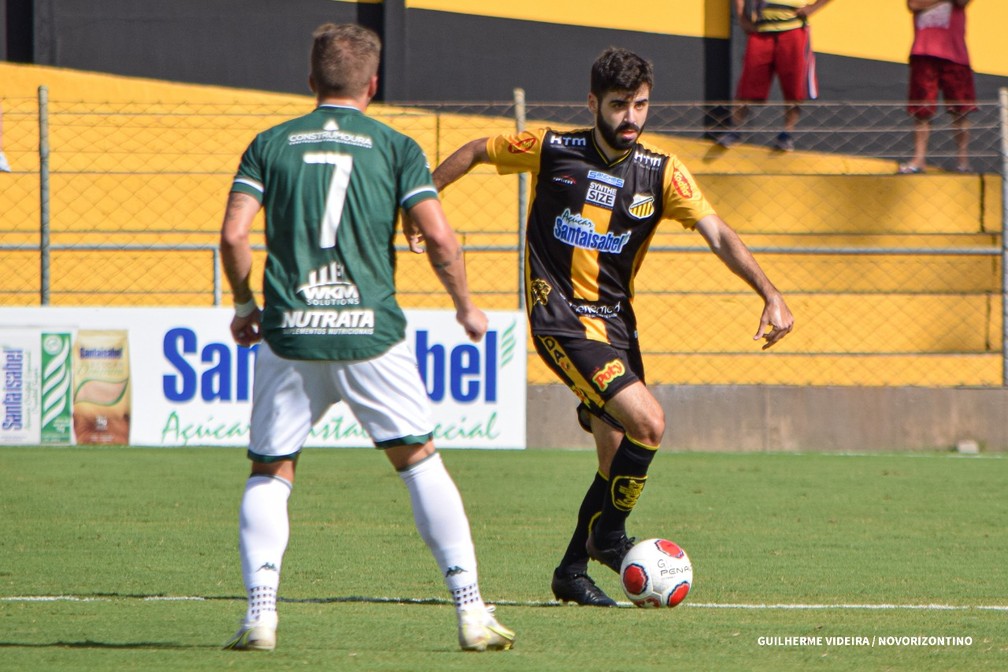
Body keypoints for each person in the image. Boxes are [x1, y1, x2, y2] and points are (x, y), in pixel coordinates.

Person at [430, 47, 793, 606]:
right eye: (620, 104)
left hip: (616, 326)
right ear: (593, 102)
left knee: (615, 453)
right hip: (560, 318)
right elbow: (479, 150)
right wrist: (421, 206)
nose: (631, 117)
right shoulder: (553, 149)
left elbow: (717, 232)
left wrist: (769, 293)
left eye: (641, 105)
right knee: (649, 423)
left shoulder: (663, 173)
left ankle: (572, 571)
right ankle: (608, 537)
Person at [218, 23, 514, 652]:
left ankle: (260, 616)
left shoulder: (269, 145)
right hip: (371, 333)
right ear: (373, 85)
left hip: (291, 331)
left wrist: (246, 304)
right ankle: (470, 611)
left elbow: (234, 235)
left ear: (310, 81)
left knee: (271, 471)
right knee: (418, 461)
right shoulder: (397, 147)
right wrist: (466, 306)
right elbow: (438, 237)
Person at [718, 0, 834, 152]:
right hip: (762, 29)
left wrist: (813, 8)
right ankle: (735, 129)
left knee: (794, 86)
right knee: (748, 82)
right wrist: (742, 17)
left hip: (794, 28)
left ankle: (787, 133)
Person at [897, 0, 976, 174]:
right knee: (921, 109)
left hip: (955, 55)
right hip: (923, 52)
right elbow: (914, 5)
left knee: (960, 109)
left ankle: (963, 162)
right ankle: (918, 160)